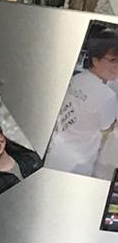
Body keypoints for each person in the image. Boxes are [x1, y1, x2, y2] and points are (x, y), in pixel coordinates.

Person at [45, 35, 118, 176]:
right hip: (78, 163)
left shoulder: (76, 79)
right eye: (113, 60)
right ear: (95, 60)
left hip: (55, 152)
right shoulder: (106, 94)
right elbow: (107, 130)